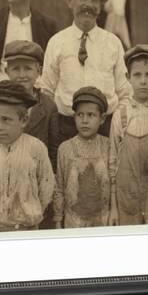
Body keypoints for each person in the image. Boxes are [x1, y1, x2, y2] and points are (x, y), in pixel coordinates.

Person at [0, 40, 60, 229]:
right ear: (7, 71)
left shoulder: (48, 106)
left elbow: (53, 151)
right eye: (16, 69)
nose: (22, 75)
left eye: (28, 69)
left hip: (31, 189)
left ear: (38, 70)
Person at [40, 0, 131, 144]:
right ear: (70, 1)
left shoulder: (113, 43)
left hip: (105, 128)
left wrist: (116, 126)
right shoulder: (57, 42)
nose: (88, 4)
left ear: (101, 5)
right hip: (66, 128)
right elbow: (46, 91)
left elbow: (125, 93)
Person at [0, 80, 56, 233]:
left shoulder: (36, 148)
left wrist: (31, 210)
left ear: (24, 120)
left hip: (26, 227)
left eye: (6, 120)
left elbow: (46, 185)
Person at [109, 45, 148, 226]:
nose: (143, 81)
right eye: (137, 75)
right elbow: (112, 163)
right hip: (126, 201)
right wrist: (114, 207)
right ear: (128, 78)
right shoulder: (120, 115)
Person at [53, 87, 111, 229]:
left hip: (103, 220)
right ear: (74, 117)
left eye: (91, 115)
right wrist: (58, 220)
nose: (85, 120)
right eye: (80, 115)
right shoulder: (65, 148)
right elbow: (59, 187)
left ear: (102, 118)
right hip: (74, 222)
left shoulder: (108, 146)